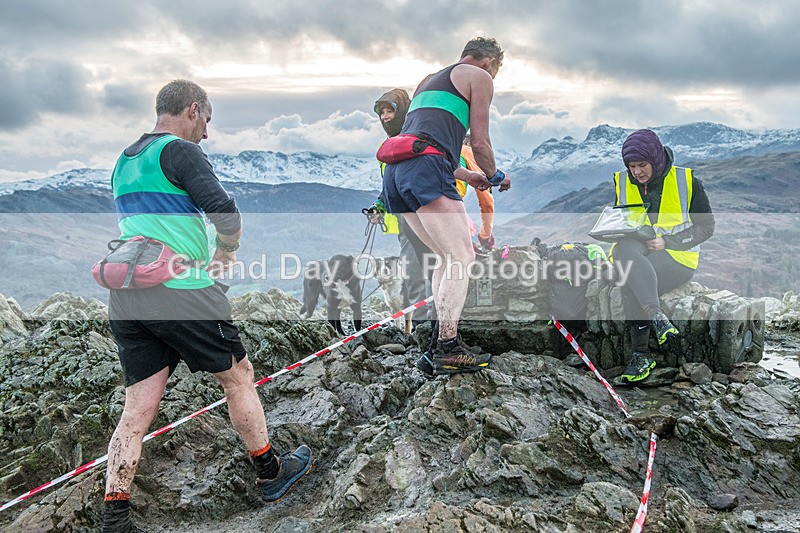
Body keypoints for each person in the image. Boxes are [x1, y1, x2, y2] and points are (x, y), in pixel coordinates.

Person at [101, 80, 312, 532]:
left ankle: (115, 516)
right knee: (238, 378)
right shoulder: (180, 151)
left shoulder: (124, 160)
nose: (207, 133)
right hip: (182, 289)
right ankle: (271, 472)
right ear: (192, 110)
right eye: (207, 121)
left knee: (136, 410)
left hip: (127, 293)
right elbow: (225, 213)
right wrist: (225, 253)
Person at [382, 37, 510, 375]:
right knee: (462, 256)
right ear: (488, 63)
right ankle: (449, 348)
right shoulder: (479, 76)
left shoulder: (428, 80)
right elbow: (479, 142)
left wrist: (468, 176)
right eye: (493, 73)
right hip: (426, 170)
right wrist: (495, 176)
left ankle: (435, 348)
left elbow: (425, 141)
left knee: (444, 256)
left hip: (397, 173)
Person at [612, 129, 715, 382]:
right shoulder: (622, 181)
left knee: (630, 281)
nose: (637, 172)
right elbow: (624, 221)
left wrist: (669, 242)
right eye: (631, 166)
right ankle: (657, 318)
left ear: (655, 159)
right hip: (641, 251)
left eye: (642, 165)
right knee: (623, 249)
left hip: (678, 258)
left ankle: (640, 356)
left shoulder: (687, 181)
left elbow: (706, 227)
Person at [368, 88, 432, 326]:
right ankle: (422, 326)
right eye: (381, 113)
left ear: (404, 110)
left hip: (426, 216)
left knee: (428, 271)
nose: (385, 117)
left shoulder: (418, 140)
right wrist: (379, 206)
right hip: (406, 223)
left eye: (390, 111)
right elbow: (390, 185)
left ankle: (432, 326)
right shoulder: (389, 146)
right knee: (413, 273)